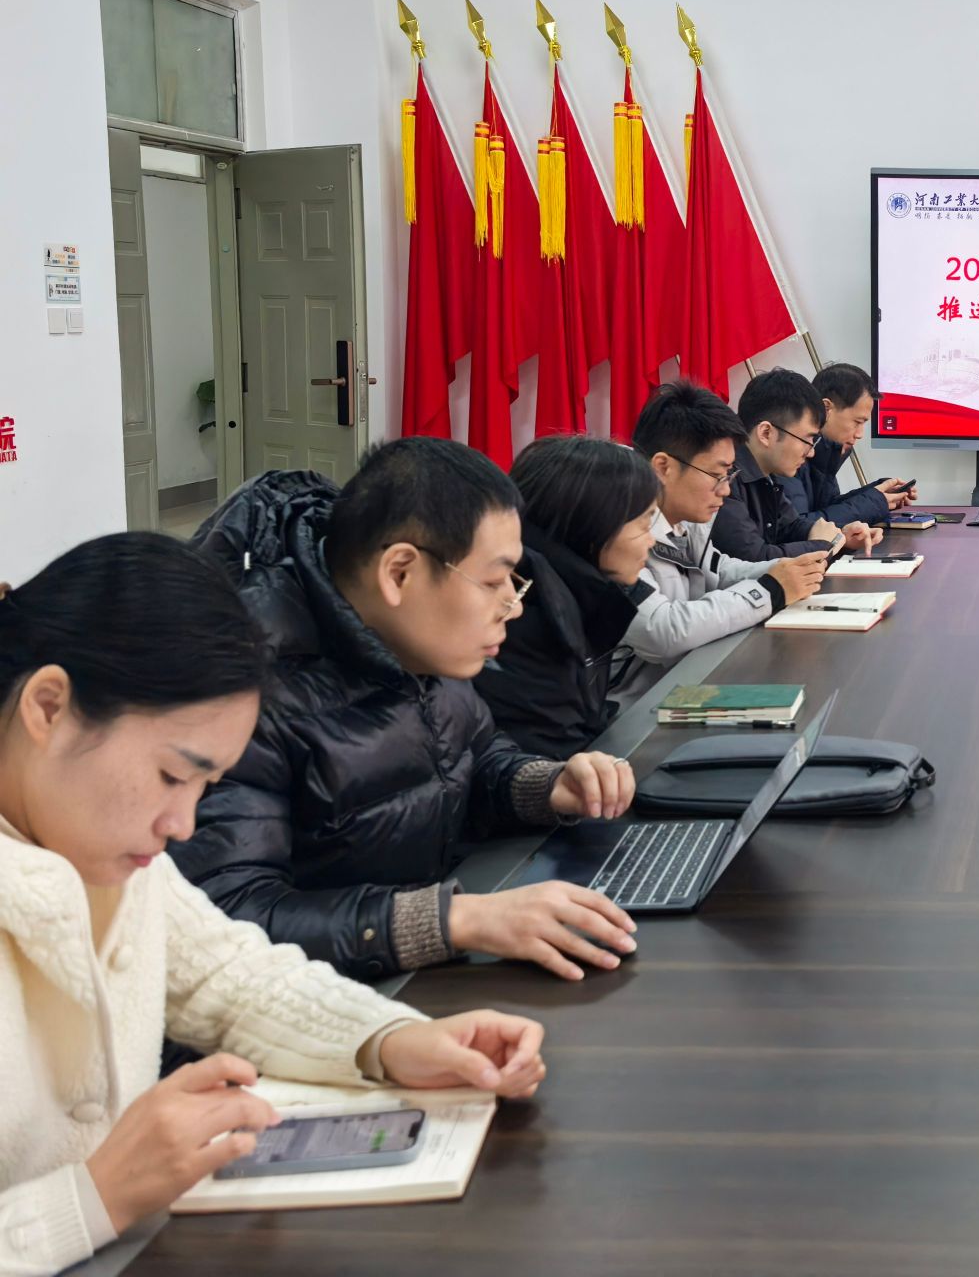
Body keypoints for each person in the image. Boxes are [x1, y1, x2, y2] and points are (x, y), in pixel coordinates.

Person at [0, 533, 548, 1275]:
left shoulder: (91, 840)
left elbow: (226, 975)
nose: (182, 825)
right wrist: (89, 1199)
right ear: (49, 707)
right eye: (172, 776)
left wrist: (387, 1040)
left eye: (205, 787)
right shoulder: (89, 832)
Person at [170, 438, 640, 986]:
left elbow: (474, 758)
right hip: (317, 1004)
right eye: (493, 582)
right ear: (399, 573)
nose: (512, 607)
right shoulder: (244, 692)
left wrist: (547, 785)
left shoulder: (419, 643)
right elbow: (230, 917)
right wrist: (452, 920)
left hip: (406, 975)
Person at [620, 383, 828, 689]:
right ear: (663, 467)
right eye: (717, 475)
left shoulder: (685, 519)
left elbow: (718, 570)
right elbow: (660, 631)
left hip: (685, 677)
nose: (726, 489)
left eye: (728, 475)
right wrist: (770, 591)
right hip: (633, 701)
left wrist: (785, 570)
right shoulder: (617, 523)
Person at [472, 435, 659, 760]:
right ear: (595, 523)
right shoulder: (528, 617)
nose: (652, 540)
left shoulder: (568, 594)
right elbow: (553, 757)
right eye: (644, 524)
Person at [711, 368, 878, 563]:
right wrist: (823, 544)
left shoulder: (765, 472)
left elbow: (790, 526)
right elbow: (754, 558)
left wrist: (840, 536)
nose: (811, 452)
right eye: (807, 439)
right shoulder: (723, 479)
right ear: (766, 433)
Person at [781, 362, 916, 528]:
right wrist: (874, 502)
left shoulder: (827, 452)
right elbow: (799, 526)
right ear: (826, 408)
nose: (860, 434)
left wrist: (877, 493)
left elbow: (825, 509)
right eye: (857, 422)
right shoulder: (788, 452)